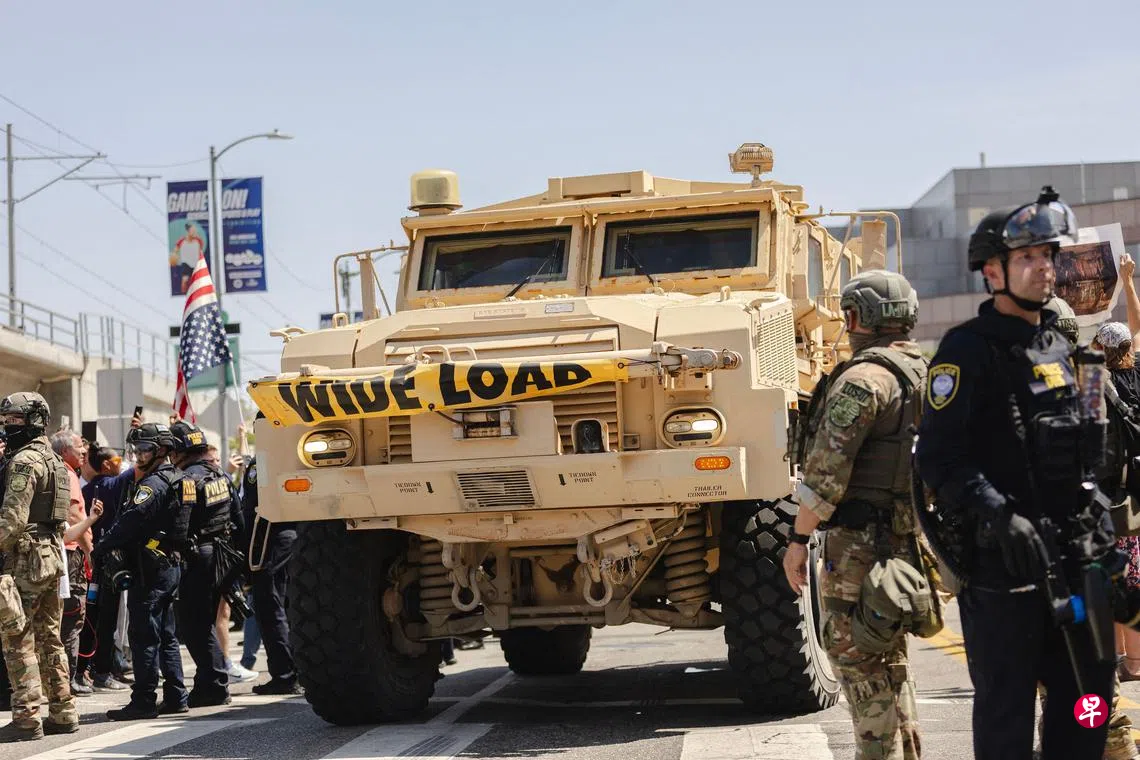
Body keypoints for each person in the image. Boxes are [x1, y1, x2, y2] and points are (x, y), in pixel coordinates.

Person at [915, 187, 1119, 759]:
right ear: (992, 272)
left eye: (1048, 255)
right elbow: (939, 459)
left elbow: (1087, 451)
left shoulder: (1059, 346)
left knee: (1087, 710)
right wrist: (1001, 516)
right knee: (1006, 718)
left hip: (1076, 563)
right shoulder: (965, 351)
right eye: (1027, 257)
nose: (1043, 267)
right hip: (1005, 572)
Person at [782, 270, 928, 759]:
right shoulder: (927, 375)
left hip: (858, 548)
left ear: (856, 317)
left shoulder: (863, 381)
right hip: (907, 539)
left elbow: (826, 474)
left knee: (856, 658)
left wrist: (798, 541)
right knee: (890, 657)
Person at [92, 423, 189, 720]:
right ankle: (176, 695)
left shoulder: (154, 484)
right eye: (136, 449)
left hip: (150, 568)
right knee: (167, 634)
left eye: (144, 449)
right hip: (169, 564)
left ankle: (144, 700)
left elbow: (131, 520)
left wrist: (102, 546)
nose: (138, 455)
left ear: (162, 451)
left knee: (144, 635)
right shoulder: (180, 479)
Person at [0, 392, 77, 741]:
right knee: (50, 639)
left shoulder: (24, 460)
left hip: (25, 558)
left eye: (14, 420)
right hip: (50, 555)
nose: (8, 426)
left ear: (34, 421)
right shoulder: (55, 460)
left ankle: (27, 718)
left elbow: (12, 520)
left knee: (19, 639)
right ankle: (63, 711)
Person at [169, 422, 245, 706]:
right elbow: (239, 519)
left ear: (179, 451)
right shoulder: (221, 475)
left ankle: (215, 686)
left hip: (198, 556)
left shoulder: (188, 480)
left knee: (195, 625)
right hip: (224, 556)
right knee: (208, 622)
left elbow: (181, 525)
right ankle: (208, 683)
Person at [241, 455, 301, 694]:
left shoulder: (264, 462)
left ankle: (285, 674)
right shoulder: (290, 456)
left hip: (270, 537)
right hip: (286, 535)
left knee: (270, 607)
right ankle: (293, 672)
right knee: (284, 607)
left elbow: (251, 507)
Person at [80, 445, 134, 692]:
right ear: (106, 465)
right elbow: (136, 470)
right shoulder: (114, 484)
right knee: (108, 619)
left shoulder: (85, 489)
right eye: (117, 459)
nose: (121, 463)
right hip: (110, 563)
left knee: (93, 617)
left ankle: (91, 669)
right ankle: (103, 671)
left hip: (92, 561)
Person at [48, 430, 92, 697]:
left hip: (61, 552)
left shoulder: (56, 470)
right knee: (74, 616)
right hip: (72, 552)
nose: (84, 451)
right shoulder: (67, 473)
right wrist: (89, 550)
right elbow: (75, 516)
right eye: (79, 447)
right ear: (65, 451)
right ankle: (68, 678)